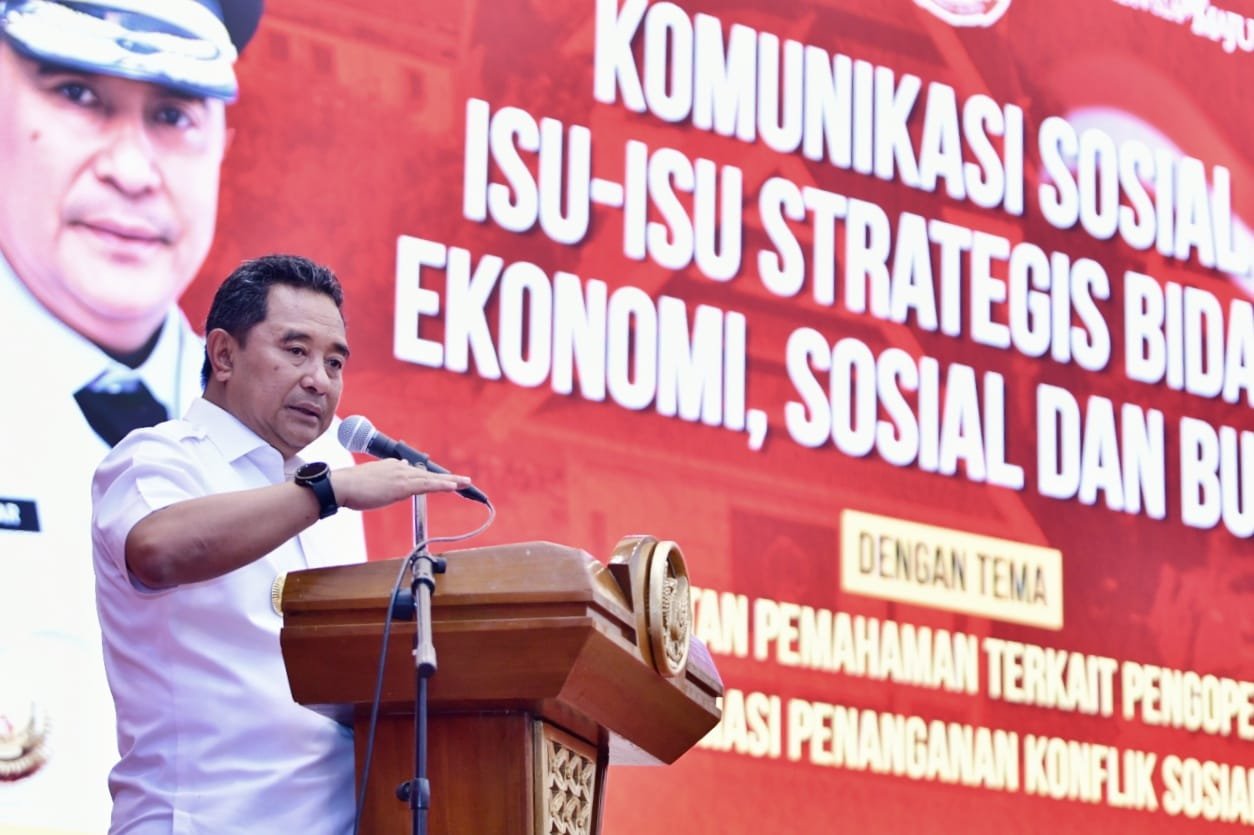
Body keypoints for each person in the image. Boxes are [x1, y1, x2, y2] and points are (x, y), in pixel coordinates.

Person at [0, 1, 282, 830]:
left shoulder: (304, 462)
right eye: (78, 94)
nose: (131, 168)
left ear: (223, 143)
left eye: (171, 114)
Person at [90, 254, 472, 833]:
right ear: (224, 355)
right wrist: (326, 493)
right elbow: (158, 549)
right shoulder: (159, 457)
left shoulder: (325, 484)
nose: (320, 379)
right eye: (296, 351)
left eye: (335, 362)